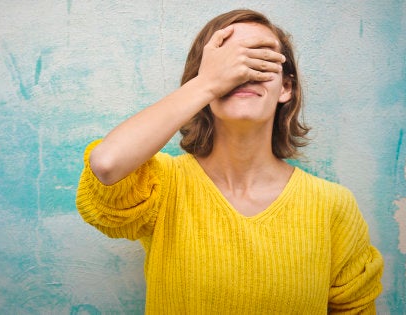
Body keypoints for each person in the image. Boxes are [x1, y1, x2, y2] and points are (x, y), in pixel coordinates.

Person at [76, 9, 383, 314]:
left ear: (285, 87)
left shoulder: (332, 206)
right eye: (227, 60)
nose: (243, 71)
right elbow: (107, 164)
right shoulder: (163, 185)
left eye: (261, 58)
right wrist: (208, 83)